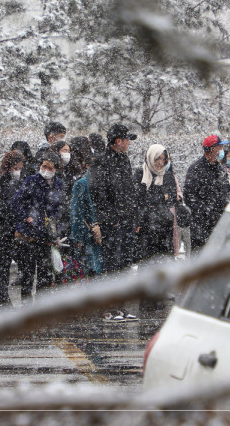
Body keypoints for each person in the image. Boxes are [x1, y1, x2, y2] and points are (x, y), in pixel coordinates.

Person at [89, 123, 139, 322]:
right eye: (126, 139)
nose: (128, 143)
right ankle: (108, 307)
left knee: (124, 263)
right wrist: (111, 217)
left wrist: (133, 216)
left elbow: (129, 191)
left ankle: (121, 305)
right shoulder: (101, 161)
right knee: (111, 263)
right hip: (112, 222)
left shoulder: (124, 160)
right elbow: (98, 193)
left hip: (126, 220)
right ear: (118, 141)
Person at [10, 151, 66, 302]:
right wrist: (26, 217)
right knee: (27, 274)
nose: (46, 170)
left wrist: (57, 229)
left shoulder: (58, 184)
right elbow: (16, 202)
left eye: (50, 167)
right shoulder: (31, 180)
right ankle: (27, 306)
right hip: (29, 234)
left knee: (45, 274)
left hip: (47, 236)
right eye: (44, 166)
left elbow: (60, 208)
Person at [0, 150, 25, 308]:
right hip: (1, 227)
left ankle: (0, 295)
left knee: (4, 264)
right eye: (17, 167)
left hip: (9, 228)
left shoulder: (14, 182)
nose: (19, 170)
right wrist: (13, 211)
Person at [184, 135, 230, 251]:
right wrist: (205, 210)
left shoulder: (219, 169)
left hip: (218, 225)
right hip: (201, 227)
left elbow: (226, 191)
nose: (222, 151)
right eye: (219, 148)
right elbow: (189, 196)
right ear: (211, 149)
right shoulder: (196, 169)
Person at [134, 144, 181, 262]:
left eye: (163, 159)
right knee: (147, 263)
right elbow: (138, 198)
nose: (160, 162)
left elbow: (171, 198)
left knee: (165, 263)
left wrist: (154, 199)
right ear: (150, 158)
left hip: (164, 224)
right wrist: (161, 197)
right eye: (157, 159)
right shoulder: (141, 174)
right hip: (146, 225)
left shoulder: (168, 175)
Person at [70, 139, 102, 276]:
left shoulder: (103, 183)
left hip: (100, 233)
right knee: (89, 270)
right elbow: (76, 212)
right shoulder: (82, 184)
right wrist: (79, 238)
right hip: (88, 235)